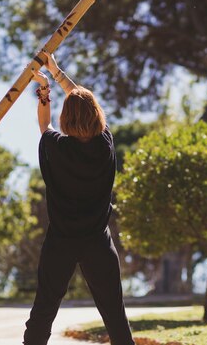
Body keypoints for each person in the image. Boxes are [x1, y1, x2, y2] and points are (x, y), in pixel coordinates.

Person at [23, 52, 135, 345]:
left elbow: (44, 125)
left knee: (44, 310)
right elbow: (79, 97)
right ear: (97, 113)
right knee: (115, 316)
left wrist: (44, 87)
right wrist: (57, 72)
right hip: (98, 242)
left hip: (61, 241)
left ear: (67, 118)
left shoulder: (57, 147)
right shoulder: (105, 145)